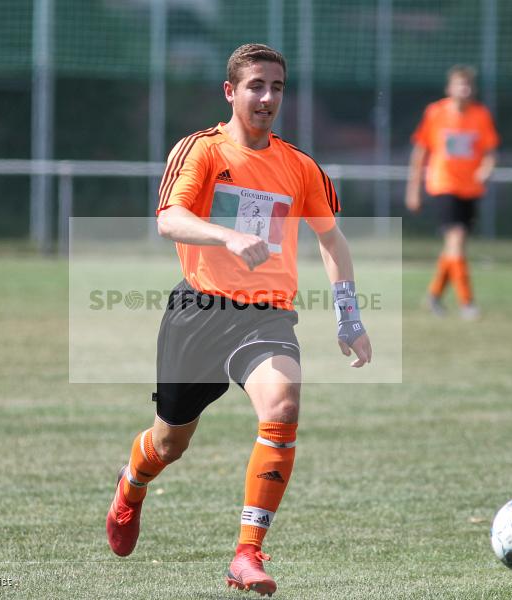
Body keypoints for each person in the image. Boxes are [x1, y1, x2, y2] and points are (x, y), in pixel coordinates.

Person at [105, 43, 372, 597]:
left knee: (283, 406)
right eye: (256, 86)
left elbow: (332, 240)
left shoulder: (300, 167)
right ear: (231, 91)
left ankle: (246, 553)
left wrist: (349, 316)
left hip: (267, 317)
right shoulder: (200, 151)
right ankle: (130, 488)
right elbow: (170, 219)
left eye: (277, 87)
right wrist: (227, 234)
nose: (268, 97)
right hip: (199, 312)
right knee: (169, 443)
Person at [405, 65, 499, 320]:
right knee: (455, 240)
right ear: (449, 88)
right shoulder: (436, 113)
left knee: (453, 248)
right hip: (443, 186)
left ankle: (434, 296)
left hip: (470, 189)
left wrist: (486, 169)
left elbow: (490, 152)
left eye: (468, 85)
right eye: (459, 84)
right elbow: (420, 152)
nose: (464, 89)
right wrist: (413, 189)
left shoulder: (481, 115)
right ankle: (467, 302)